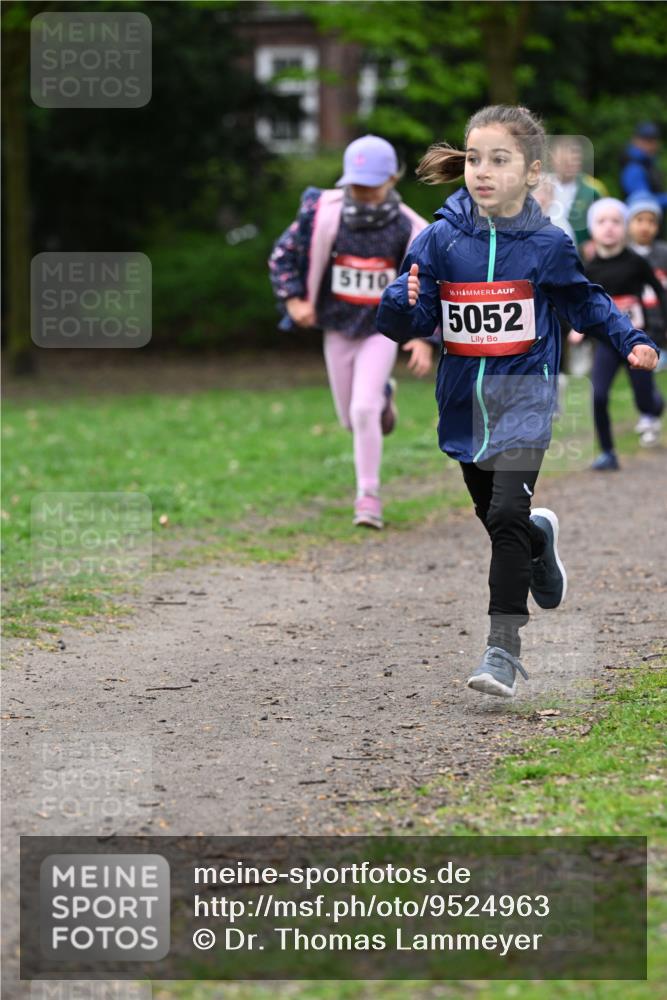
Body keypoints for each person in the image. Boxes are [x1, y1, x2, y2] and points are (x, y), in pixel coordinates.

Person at [376, 105, 659, 699]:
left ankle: (502, 649)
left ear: (531, 172)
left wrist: (630, 338)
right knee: (497, 517)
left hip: (526, 396)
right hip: (463, 404)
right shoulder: (438, 239)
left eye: (498, 160)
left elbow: (586, 302)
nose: (482, 171)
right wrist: (401, 301)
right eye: (474, 159)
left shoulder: (548, 245)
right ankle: (537, 538)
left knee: (504, 514)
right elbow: (409, 323)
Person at [268, 135, 435, 529]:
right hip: (338, 326)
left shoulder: (409, 227)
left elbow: (428, 283)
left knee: (363, 411)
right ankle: (383, 398)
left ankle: (368, 496)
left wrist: (422, 336)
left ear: (392, 179)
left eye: (370, 186)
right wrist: (293, 301)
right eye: (355, 186)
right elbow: (282, 256)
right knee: (350, 418)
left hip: (382, 329)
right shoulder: (324, 214)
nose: (362, 194)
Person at [568, 198, 666, 465]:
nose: (609, 227)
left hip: (637, 342)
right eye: (601, 221)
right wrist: (578, 330)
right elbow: (581, 304)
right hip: (608, 344)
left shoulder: (636, 262)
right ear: (592, 228)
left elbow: (659, 290)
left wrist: (661, 325)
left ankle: (655, 405)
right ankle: (608, 452)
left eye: (616, 221)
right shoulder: (588, 269)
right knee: (598, 395)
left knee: (645, 402)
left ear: (625, 228)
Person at [627, 192, 667, 374]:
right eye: (639, 220)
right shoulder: (624, 254)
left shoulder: (663, 253)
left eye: (651, 221)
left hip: (659, 318)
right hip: (633, 321)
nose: (645, 226)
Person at [620, 122, 667, 211]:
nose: (651, 145)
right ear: (635, 140)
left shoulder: (648, 163)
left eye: (654, 140)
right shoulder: (634, 167)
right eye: (647, 141)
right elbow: (642, 200)